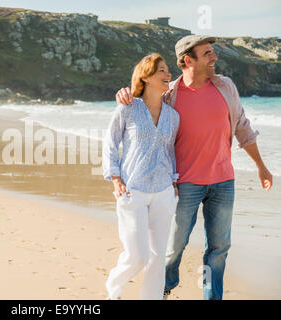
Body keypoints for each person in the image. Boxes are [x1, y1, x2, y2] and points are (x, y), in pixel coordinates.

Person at [115, 35, 273, 300]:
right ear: (188, 60)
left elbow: (243, 128)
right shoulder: (169, 95)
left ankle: (212, 297)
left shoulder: (226, 87)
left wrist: (261, 166)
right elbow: (145, 117)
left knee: (219, 247)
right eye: (208, 53)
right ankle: (163, 288)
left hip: (223, 181)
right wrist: (125, 94)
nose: (215, 58)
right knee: (174, 246)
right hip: (184, 183)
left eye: (213, 53)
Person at [102, 53, 180, 300]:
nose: (168, 75)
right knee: (138, 255)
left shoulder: (173, 116)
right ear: (145, 77)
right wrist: (115, 177)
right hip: (132, 190)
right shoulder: (128, 108)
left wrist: (174, 180)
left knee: (158, 258)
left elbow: (170, 151)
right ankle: (114, 288)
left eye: (168, 71)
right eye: (162, 71)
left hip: (164, 191)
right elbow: (111, 143)